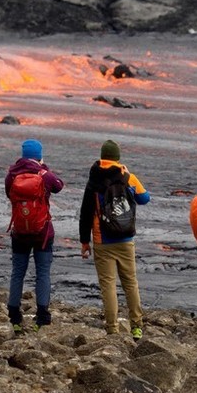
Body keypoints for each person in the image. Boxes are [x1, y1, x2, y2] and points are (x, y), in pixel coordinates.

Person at [79, 139, 151, 339]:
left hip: (102, 241)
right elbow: (145, 198)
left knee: (108, 285)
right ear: (117, 158)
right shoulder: (127, 176)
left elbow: (85, 213)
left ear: (102, 158)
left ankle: (112, 329)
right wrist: (128, 176)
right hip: (126, 238)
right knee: (130, 282)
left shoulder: (93, 181)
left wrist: (85, 241)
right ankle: (136, 325)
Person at [5, 139, 64, 334]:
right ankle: (42, 317)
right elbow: (59, 186)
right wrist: (43, 168)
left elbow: (8, 194)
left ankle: (14, 315)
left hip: (20, 231)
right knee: (43, 273)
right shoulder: (44, 175)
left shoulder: (12, 174)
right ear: (39, 155)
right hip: (43, 232)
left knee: (17, 272)